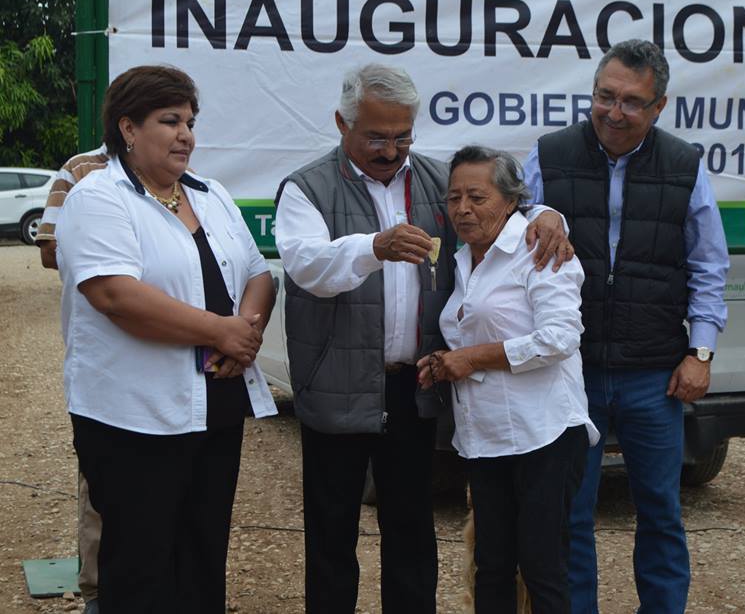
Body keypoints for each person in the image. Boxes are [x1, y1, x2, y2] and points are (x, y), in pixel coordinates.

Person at [274, 63, 572, 614]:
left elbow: (506, 213)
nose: (391, 150)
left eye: (403, 136)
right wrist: (373, 248)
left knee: (412, 531)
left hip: (414, 388)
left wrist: (550, 214)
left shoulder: (441, 184)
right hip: (335, 387)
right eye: (376, 137)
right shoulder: (306, 188)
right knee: (332, 533)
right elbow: (306, 267)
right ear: (342, 124)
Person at [56, 65, 278, 613]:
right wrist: (221, 331)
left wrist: (242, 335)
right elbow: (114, 296)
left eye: (190, 122)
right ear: (128, 129)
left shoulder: (211, 192)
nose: (186, 135)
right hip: (133, 416)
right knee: (140, 566)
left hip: (215, 405)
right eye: (170, 120)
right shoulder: (99, 197)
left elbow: (258, 274)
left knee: (204, 554)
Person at [523, 39, 730, 614]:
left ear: (659, 106)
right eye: (604, 96)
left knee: (661, 510)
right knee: (571, 512)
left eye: (631, 102)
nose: (614, 112)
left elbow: (709, 265)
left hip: (653, 374)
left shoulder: (685, 165)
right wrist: (532, 215)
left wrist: (701, 353)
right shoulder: (550, 153)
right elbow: (513, 227)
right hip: (570, 372)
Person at [416, 146, 598, 613]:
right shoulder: (461, 258)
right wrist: (446, 360)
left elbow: (560, 338)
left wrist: (472, 358)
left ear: (512, 200)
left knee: (543, 568)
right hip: (487, 436)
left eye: (477, 196)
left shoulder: (540, 248)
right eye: (454, 197)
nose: (462, 208)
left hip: (545, 432)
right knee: (491, 565)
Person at [35, 145, 110, 614]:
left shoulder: (186, 176)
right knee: (102, 479)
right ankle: (98, 589)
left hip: (170, 354)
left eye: (186, 121)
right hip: (102, 352)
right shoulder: (81, 170)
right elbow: (49, 249)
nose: (182, 132)